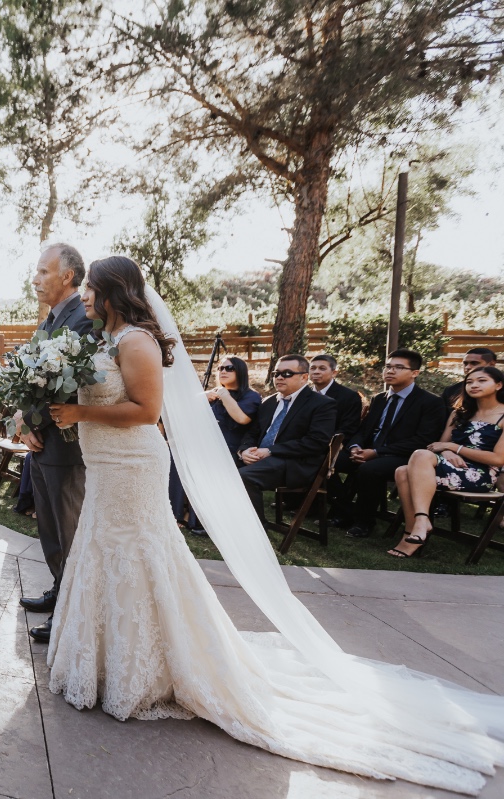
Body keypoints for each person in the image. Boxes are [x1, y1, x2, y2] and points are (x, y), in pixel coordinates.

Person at [43, 256, 504, 795]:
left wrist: (80, 415)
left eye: (93, 289)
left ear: (108, 290)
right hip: (104, 466)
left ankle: (143, 667)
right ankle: (100, 660)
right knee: (101, 551)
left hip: (131, 465)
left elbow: (148, 412)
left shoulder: (138, 342)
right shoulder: (105, 338)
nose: (87, 297)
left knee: (137, 554)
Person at [14, 242, 94, 643]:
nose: (36, 279)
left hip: (67, 444)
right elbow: (30, 379)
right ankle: (60, 589)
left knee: (69, 530)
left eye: (43, 272)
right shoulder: (48, 320)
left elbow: (68, 388)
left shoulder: (84, 319)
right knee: (48, 528)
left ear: (67, 276)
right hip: (40, 442)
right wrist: (22, 422)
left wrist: (33, 418)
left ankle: (70, 610)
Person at [388, 365, 504, 558]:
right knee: (402, 470)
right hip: (450, 466)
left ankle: (419, 524)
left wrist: (453, 448)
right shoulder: (460, 412)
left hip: (479, 475)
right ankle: (416, 529)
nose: (473, 385)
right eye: (469, 382)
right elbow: (438, 445)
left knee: (415, 460)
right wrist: (448, 451)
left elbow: (498, 459)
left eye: (481, 381)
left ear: (499, 385)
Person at [329, 349, 446, 538]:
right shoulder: (379, 399)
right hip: (369, 451)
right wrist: (355, 447)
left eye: (399, 367)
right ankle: (344, 509)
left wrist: (376, 452)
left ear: (415, 373)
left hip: (405, 456)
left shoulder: (431, 402)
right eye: (388, 367)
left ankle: (364, 522)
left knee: (369, 469)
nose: (390, 371)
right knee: (326, 459)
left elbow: (423, 440)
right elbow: (363, 430)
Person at [237, 355, 337, 518]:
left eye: (288, 373)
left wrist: (270, 450)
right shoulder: (269, 402)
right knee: (221, 467)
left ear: (304, 377)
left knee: (244, 477)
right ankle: (222, 524)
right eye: (277, 373)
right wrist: (244, 450)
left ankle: (256, 532)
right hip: (263, 458)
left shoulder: (322, 404)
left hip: (295, 463)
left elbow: (315, 443)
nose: (280, 377)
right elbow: (252, 432)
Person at [170, 355, 261, 534]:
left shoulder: (250, 396)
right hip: (202, 443)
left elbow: (242, 418)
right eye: (220, 368)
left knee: (195, 458)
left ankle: (196, 517)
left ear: (240, 372)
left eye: (229, 368)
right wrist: (201, 397)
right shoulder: (212, 394)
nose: (223, 372)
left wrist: (225, 395)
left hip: (228, 448)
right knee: (174, 452)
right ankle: (177, 513)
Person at [309, 354, 363, 439]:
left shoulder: (349, 397)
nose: (316, 372)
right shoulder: (304, 394)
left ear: (334, 373)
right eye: (313, 368)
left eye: (322, 368)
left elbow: (348, 429)